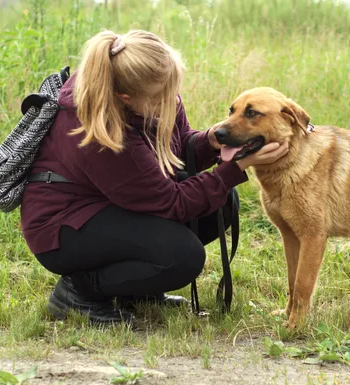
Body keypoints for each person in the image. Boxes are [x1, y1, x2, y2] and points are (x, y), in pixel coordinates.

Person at [20, 29, 288, 324]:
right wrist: (235, 168)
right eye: (162, 94)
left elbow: (178, 147)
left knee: (222, 202)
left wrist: (212, 140)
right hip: (64, 227)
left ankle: (136, 289)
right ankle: (77, 292)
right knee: (182, 257)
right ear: (126, 98)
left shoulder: (150, 93)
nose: (172, 99)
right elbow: (172, 202)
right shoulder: (104, 136)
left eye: (173, 87)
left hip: (112, 202)